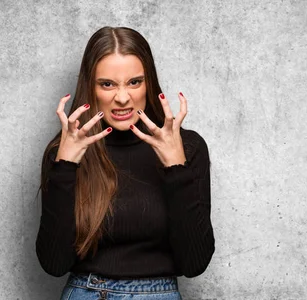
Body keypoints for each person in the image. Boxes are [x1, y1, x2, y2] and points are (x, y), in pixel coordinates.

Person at [35, 26, 215, 300]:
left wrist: (176, 166)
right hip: (87, 292)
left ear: (149, 84)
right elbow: (54, 264)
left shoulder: (188, 147)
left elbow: (194, 263)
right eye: (107, 84)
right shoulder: (65, 151)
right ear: (91, 88)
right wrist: (65, 166)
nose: (122, 98)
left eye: (134, 82)